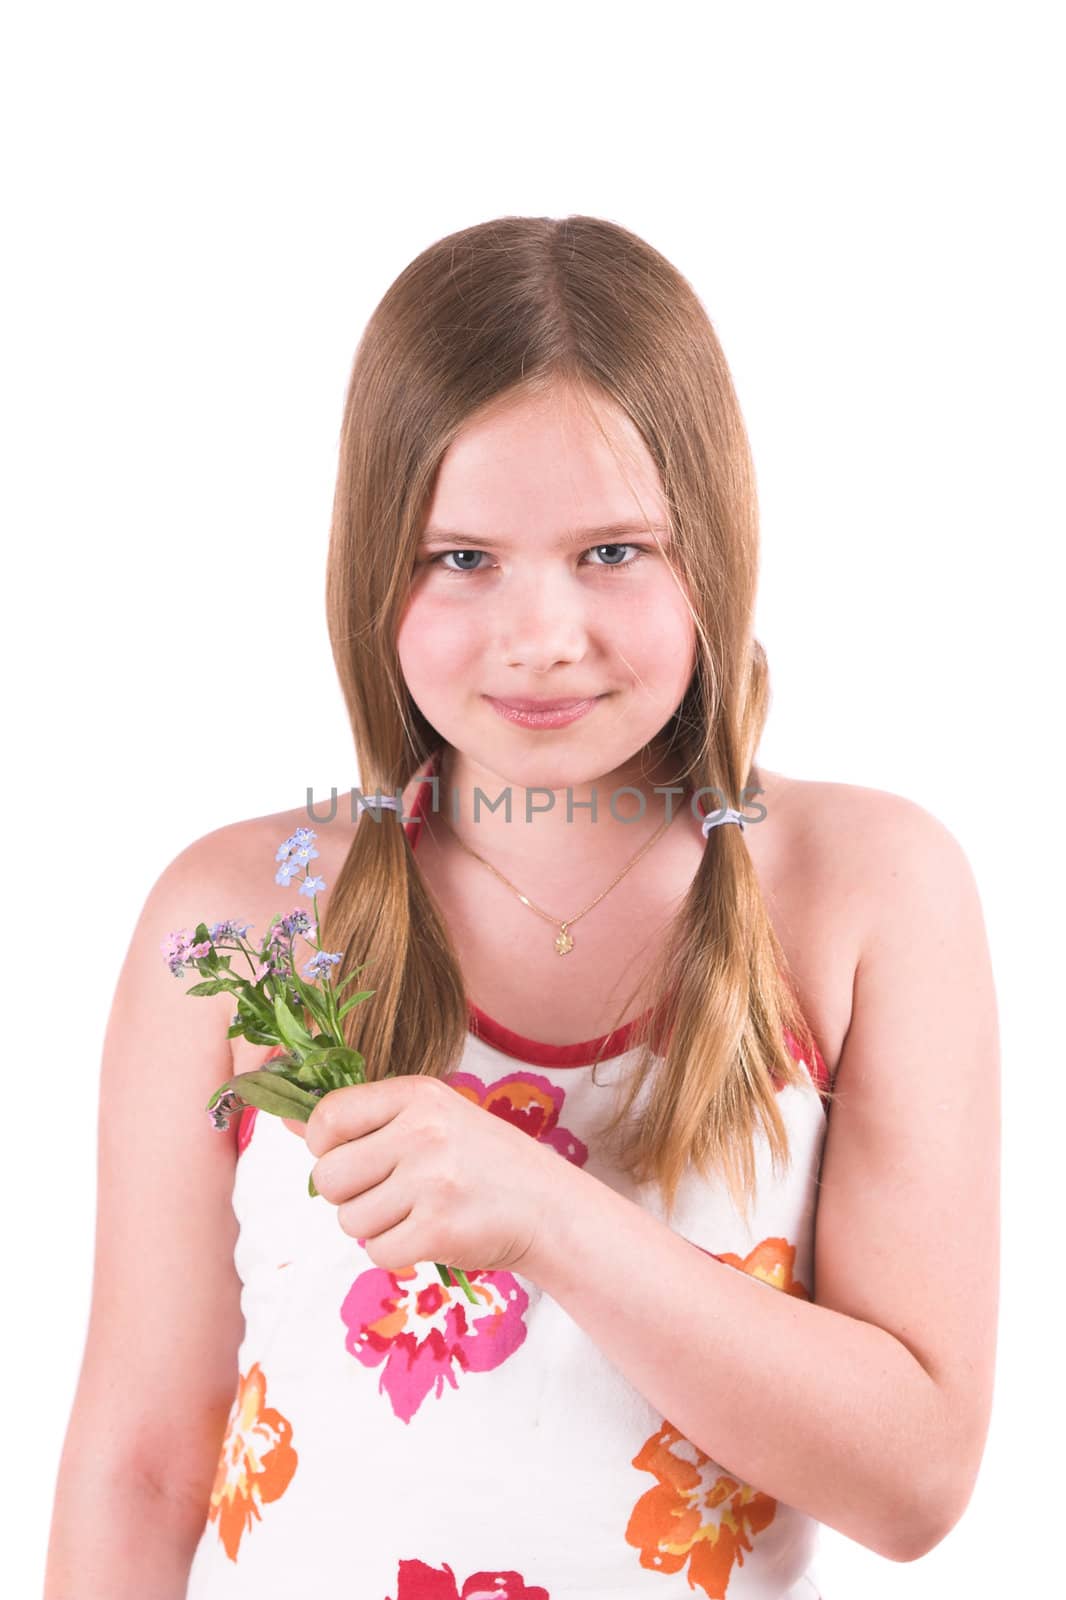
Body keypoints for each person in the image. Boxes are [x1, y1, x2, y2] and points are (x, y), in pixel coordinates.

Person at [44, 214, 1000, 1600]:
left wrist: (547, 1214)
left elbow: (913, 1481)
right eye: (461, 558)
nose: (540, 635)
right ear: (375, 565)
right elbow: (139, 1463)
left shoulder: (861, 890)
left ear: (711, 549)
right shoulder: (236, 918)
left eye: (612, 552)